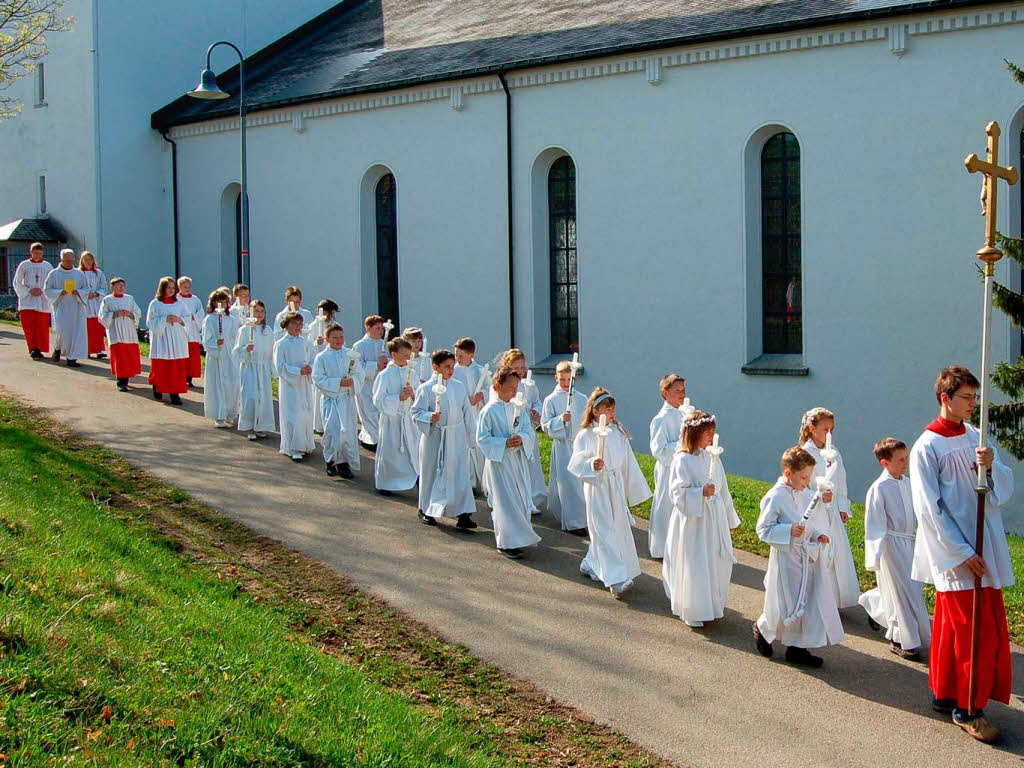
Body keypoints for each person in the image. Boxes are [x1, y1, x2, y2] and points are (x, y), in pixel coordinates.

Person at [911, 366, 1015, 743]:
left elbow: (1002, 487)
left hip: (984, 545)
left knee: (951, 629)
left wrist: (990, 467)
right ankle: (968, 709)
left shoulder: (976, 437)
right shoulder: (927, 446)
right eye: (967, 398)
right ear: (945, 398)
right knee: (974, 633)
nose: (974, 405)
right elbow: (928, 507)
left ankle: (943, 693)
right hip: (955, 553)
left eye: (975, 398)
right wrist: (959, 552)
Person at [753, 446, 843, 668]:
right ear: (788, 474)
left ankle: (797, 648)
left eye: (809, 477)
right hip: (786, 559)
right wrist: (788, 530)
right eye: (803, 477)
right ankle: (763, 630)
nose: (807, 481)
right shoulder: (775, 497)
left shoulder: (804, 493)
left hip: (806, 558)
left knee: (808, 601)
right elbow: (763, 529)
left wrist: (818, 534)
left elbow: (810, 519)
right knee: (786, 603)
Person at [568, 388, 652, 598]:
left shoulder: (618, 432)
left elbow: (628, 461)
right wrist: (590, 464)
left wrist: (634, 490)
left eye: (613, 408)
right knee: (602, 528)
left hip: (614, 486)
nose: (612, 412)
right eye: (607, 408)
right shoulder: (585, 435)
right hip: (597, 486)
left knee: (617, 528)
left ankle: (590, 563)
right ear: (595, 411)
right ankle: (615, 580)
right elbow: (575, 463)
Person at [663, 410, 740, 627]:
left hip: (713, 519)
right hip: (693, 521)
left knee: (714, 559)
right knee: (695, 562)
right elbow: (677, 493)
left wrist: (729, 519)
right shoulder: (682, 460)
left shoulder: (712, 457)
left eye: (712, 432)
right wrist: (699, 493)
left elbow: (723, 489)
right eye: (707, 432)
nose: (711, 436)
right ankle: (693, 608)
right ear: (694, 432)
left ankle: (711, 603)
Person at [858, 437, 930, 661]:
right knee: (901, 593)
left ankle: (874, 603)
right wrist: (876, 555)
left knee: (913, 590)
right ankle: (901, 639)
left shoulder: (908, 483)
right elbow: (875, 524)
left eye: (905, 458)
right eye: (899, 460)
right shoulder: (879, 488)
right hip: (891, 545)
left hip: (910, 542)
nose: (904, 463)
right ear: (884, 462)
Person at [476, 367, 542, 558]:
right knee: (504, 501)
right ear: (497, 386)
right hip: (500, 464)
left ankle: (520, 538)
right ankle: (506, 542)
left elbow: (528, 430)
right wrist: (503, 443)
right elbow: (482, 438)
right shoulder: (488, 411)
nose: (515, 392)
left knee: (519, 499)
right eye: (511, 387)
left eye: (516, 387)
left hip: (517, 461)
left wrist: (521, 438)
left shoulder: (517, 408)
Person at [800, 407, 860, 610]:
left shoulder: (833, 453)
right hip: (815, 511)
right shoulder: (804, 453)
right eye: (825, 429)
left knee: (835, 554)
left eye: (832, 429)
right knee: (820, 552)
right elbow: (801, 485)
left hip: (832, 509)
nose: (829, 434)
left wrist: (842, 506)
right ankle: (814, 597)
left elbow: (840, 480)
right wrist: (816, 495)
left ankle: (833, 598)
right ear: (812, 427)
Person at [412, 348, 477, 528]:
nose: (451, 370)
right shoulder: (425, 389)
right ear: (435, 367)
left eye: (452, 366)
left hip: (456, 437)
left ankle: (463, 513)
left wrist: (471, 438)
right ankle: (425, 509)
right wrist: (428, 417)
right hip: (435, 437)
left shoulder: (458, 386)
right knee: (432, 472)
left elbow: (467, 413)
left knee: (459, 474)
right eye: (446, 366)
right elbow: (415, 412)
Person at [491, 349, 546, 508]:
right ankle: (515, 498)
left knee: (530, 464)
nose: (521, 371)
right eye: (517, 368)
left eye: (523, 368)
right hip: (511, 430)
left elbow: (536, 401)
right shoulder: (504, 385)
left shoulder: (530, 386)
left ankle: (532, 498)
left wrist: (537, 411)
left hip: (527, 432)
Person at [540, 361, 587, 535]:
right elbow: (545, 425)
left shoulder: (581, 398)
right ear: (556, 378)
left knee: (580, 483)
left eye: (569, 380)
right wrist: (561, 420)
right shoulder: (550, 400)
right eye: (562, 380)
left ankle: (583, 518)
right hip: (562, 446)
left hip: (579, 445)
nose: (566, 384)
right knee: (569, 483)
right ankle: (574, 522)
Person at [372, 337, 420, 495]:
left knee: (412, 450)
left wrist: (412, 394)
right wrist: (397, 398)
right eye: (404, 353)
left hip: (407, 418)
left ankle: (417, 479)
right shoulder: (385, 375)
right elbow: (378, 400)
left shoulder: (412, 372)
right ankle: (387, 483)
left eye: (409, 352)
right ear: (393, 354)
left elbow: (419, 393)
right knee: (391, 452)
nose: (408, 356)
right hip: (392, 420)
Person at [312, 323, 361, 479]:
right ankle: (330, 461)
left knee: (347, 432)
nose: (338, 340)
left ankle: (344, 464)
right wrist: (338, 382)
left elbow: (359, 374)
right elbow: (318, 378)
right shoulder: (322, 357)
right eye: (334, 337)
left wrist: (352, 381)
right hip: (331, 399)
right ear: (327, 339)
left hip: (346, 400)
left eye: (341, 337)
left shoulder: (351, 355)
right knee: (333, 431)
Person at [649, 374, 687, 559]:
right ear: (665, 393)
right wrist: (682, 445)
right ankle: (661, 547)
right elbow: (659, 449)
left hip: (683, 469)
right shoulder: (660, 419)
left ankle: (679, 545)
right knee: (665, 505)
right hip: (668, 469)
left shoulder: (685, 413)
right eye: (677, 391)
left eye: (683, 390)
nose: (682, 394)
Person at [273, 311, 316, 461]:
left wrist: (310, 367)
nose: (298, 327)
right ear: (286, 325)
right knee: (293, 414)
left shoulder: (306, 342)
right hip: (290, 385)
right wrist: (298, 371)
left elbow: (313, 358)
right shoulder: (281, 344)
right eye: (294, 323)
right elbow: (280, 366)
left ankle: (305, 443)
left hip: (304, 383)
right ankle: (292, 447)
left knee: (305, 412)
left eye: (300, 324)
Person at [233, 299, 275, 440]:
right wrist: (246, 349)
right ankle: (249, 427)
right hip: (250, 367)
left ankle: (260, 426)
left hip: (262, 368)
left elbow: (271, 351)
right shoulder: (244, 330)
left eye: (262, 311)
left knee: (262, 397)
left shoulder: (268, 331)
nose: (259, 314)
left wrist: (271, 369)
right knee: (250, 397)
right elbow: (237, 351)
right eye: (256, 311)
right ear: (250, 312)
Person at [145, 276, 191, 405]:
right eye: (168, 288)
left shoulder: (180, 303)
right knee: (162, 366)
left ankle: (175, 393)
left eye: (173, 288)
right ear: (162, 288)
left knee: (176, 368)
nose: (171, 290)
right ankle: (158, 387)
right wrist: (165, 319)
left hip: (177, 338)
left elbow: (187, 317)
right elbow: (150, 321)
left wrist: (179, 320)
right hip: (162, 339)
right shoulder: (155, 303)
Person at [452, 337, 488, 492]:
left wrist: (481, 395)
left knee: (478, 447)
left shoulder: (480, 371)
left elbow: (489, 387)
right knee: (465, 447)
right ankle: (468, 481)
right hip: (462, 414)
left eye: (461, 356)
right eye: (456, 355)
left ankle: (482, 480)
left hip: (477, 414)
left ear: (471, 354)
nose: (457, 359)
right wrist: (466, 400)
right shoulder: (453, 371)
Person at [202, 288, 240, 428]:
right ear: (213, 303)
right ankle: (219, 414)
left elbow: (235, 336)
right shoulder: (210, 319)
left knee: (231, 383)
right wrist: (214, 343)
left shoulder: (231, 319)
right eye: (219, 302)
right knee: (217, 385)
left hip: (229, 354)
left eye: (225, 302)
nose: (222, 305)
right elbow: (206, 340)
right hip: (216, 357)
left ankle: (230, 412)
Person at [43, 248, 88, 367]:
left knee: (75, 332)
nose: (69, 263)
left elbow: (86, 289)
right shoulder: (54, 274)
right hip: (61, 306)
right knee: (62, 332)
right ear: (61, 259)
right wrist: (59, 292)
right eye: (66, 260)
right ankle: (58, 348)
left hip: (76, 307)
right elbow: (47, 289)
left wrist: (78, 292)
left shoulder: (79, 274)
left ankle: (71, 357)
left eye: (71, 260)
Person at [97, 277, 142, 391]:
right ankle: (121, 382)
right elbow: (102, 316)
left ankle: (126, 378)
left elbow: (137, 312)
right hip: (116, 332)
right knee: (120, 357)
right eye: (118, 286)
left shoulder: (129, 299)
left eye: (123, 286)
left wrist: (130, 314)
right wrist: (114, 314)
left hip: (129, 331)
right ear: (112, 287)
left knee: (128, 356)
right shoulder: (107, 300)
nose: (121, 288)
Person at [352, 315, 388, 450]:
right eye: (377, 328)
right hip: (366, 386)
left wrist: (386, 363)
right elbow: (356, 366)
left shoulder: (383, 344)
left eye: (382, 328)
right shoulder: (359, 345)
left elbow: (390, 362)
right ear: (368, 328)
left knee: (379, 413)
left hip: (380, 384)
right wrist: (375, 366)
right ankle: (371, 440)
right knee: (368, 413)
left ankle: (376, 439)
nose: (381, 331)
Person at [12, 242, 52, 360]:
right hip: (28, 301)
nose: (37, 255)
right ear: (31, 252)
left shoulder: (47, 266)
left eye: (40, 253)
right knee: (29, 326)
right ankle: (33, 348)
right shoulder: (24, 265)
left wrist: (42, 291)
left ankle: (39, 348)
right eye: (35, 253)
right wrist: (29, 291)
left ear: (42, 253)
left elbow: (51, 283)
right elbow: (17, 282)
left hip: (42, 300)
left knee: (41, 327)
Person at [306, 298, 340, 435]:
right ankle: (319, 423)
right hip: (318, 362)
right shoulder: (314, 326)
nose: (326, 316)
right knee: (318, 393)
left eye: (328, 313)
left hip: (332, 363)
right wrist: (317, 343)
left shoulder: (335, 325)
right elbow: (308, 346)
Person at [77, 251, 107, 360]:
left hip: (96, 301)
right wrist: (85, 294)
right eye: (86, 259)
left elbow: (104, 287)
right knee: (86, 328)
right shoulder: (78, 273)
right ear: (82, 261)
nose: (88, 262)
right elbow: (76, 288)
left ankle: (99, 349)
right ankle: (87, 350)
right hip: (84, 303)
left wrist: (96, 294)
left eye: (90, 259)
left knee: (98, 327)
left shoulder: (98, 273)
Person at [176, 276, 205, 387]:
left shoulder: (195, 299)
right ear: (179, 287)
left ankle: (189, 377)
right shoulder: (176, 299)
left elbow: (201, 313)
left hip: (192, 330)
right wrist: (185, 318)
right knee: (182, 354)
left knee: (192, 356)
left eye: (188, 286)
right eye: (184, 287)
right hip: (181, 330)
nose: (187, 289)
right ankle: (181, 376)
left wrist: (194, 317)